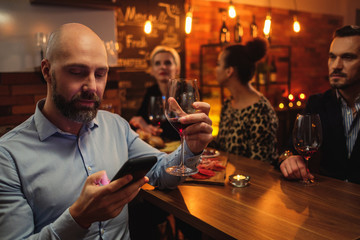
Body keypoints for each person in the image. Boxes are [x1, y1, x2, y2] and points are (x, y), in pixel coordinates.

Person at [0, 23, 213, 239]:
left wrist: (191, 149)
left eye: (100, 74)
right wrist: (78, 219)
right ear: (47, 71)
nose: (92, 86)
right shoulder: (8, 156)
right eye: (76, 72)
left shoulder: (116, 126)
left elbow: (160, 171)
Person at [279, 25, 360, 184]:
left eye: (348, 57)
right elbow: (288, 149)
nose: (336, 65)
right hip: (327, 200)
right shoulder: (317, 103)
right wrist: (287, 160)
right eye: (332, 56)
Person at [212, 38, 279, 163]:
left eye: (218, 64)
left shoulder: (261, 111)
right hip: (228, 176)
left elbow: (261, 164)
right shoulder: (228, 103)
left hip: (254, 181)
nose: (215, 69)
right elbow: (222, 145)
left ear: (229, 71)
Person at [129, 45, 180, 141]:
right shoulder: (152, 92)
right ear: (152, 70)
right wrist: (144, 127)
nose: (163, 67)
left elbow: (187, 129)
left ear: (177, 69)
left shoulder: (185, 92)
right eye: (157, 63)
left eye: (168, 63)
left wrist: (149, 129)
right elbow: (137, 122)